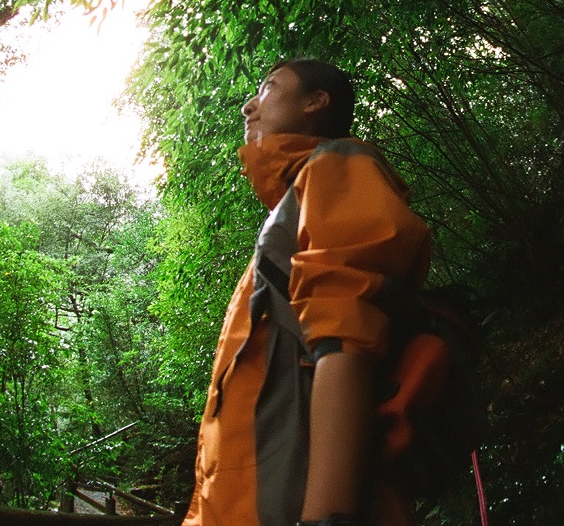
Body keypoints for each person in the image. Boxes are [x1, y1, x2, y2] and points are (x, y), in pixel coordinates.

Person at [182, 58, 432, 526]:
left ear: (316, 102)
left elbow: (346, 341)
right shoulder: (291, 210)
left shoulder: (334, 168)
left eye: (269, 87)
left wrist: (327, 519)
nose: (248, 107)